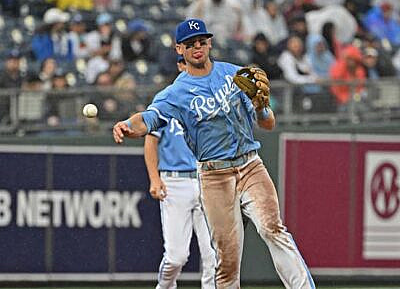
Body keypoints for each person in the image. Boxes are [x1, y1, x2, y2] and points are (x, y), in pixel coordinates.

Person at [112, 18, 315, 289]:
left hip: (249, 165)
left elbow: (268, 124)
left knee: (272, 228)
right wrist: (127, 125)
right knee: (227, 258)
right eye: (190, 44)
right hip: (214, 176)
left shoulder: (235, 75)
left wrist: (260, 106)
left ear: (209, 44)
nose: (197, 47)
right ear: (179, 50)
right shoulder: (175, 93)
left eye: (202, 42)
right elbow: (148, 120)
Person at [144, 56, 215, 289]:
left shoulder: (206, 100)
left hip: (205, 179)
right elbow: (150, 140)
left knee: (213, 256)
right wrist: (154, 178)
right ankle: (164, 287)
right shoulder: (166, 100)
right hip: (174, 182)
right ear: (180, 65)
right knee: (177, 257)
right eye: (187, 64)